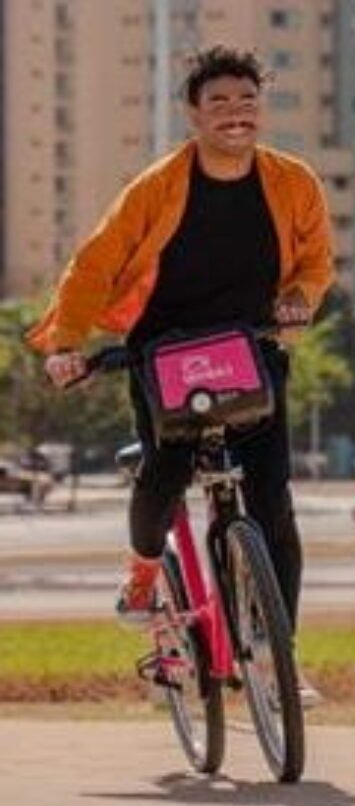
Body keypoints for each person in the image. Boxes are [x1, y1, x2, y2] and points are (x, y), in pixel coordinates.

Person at [28, 46, 333, 666]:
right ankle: (144, 572)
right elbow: (94, 265)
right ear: (193, 114)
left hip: (252, 347)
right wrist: (66, 343)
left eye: (247, 100)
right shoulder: (159, 186)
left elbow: (314, 262)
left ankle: (279, 654)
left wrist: (299, 298)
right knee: (164, 476)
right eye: (218, 102)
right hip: (166, 355)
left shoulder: (294, 181)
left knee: (273, 502)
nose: (235, 113)